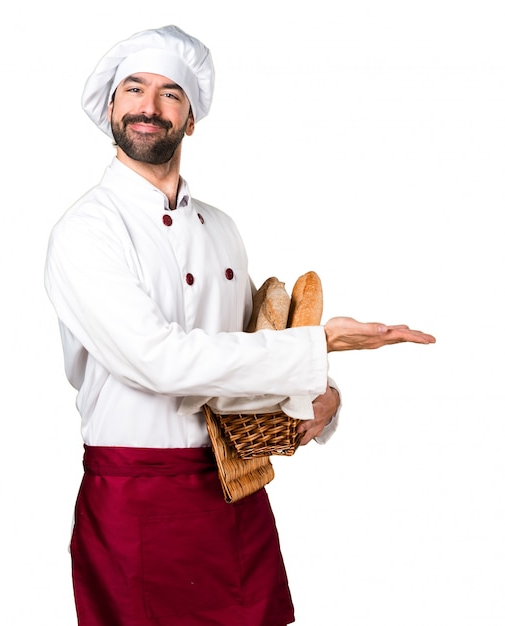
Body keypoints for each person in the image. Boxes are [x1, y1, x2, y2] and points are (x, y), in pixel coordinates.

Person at [44, 25, 435, 626]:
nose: (150, 107)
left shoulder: (222, 229)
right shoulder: (87, 230)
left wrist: (321, 397)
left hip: (236, 488)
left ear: (192, 119)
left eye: (171, 93)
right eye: (135, 90)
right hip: (136, 497)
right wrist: (320, 343)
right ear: (110, 108)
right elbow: (162, 362)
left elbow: (251, 350)